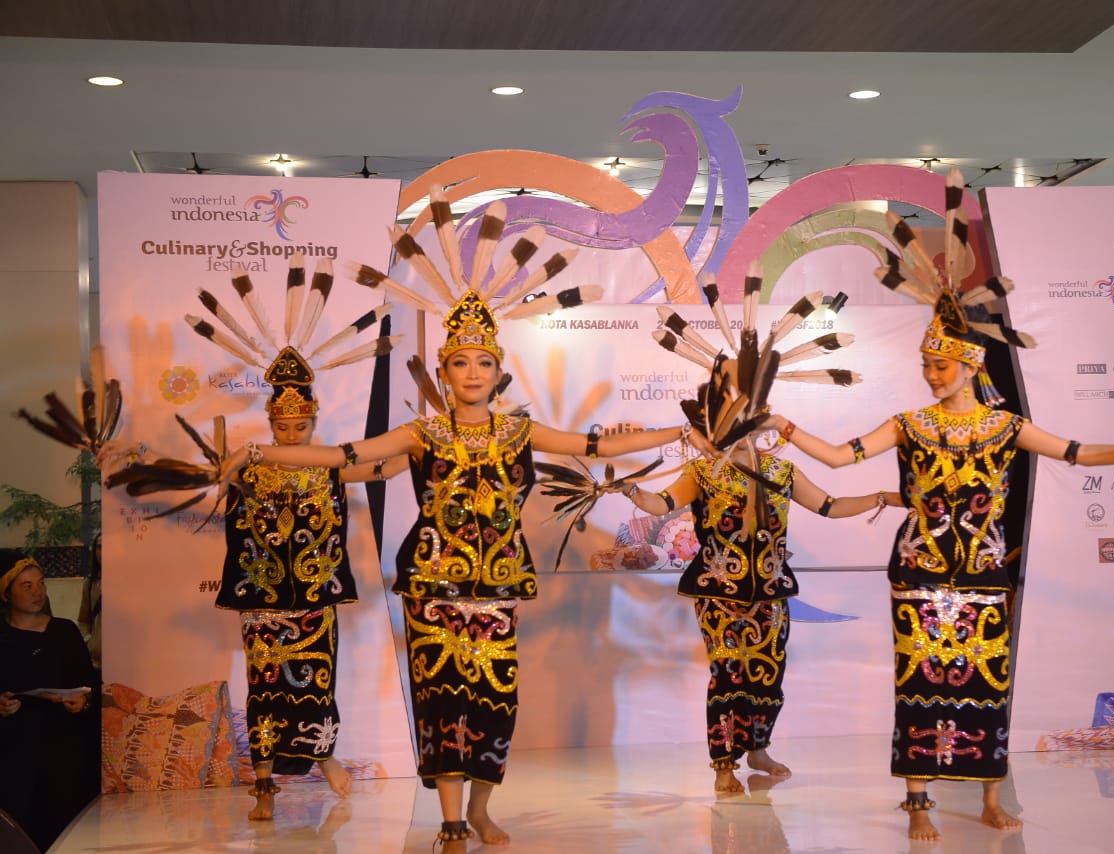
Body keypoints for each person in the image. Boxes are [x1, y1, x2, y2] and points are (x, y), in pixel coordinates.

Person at [222, 285, 688, 848]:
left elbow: (595, 447)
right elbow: (342, 457)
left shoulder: (519, 431)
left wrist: (684, 432)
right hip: (432, 592)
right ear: (444, 372)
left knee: (495, 702)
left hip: (495, 592)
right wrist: (256, 452)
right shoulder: (423, 433)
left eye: (483, 363)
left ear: (498, 373)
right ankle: (450, 823)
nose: (473, 373)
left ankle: (480, 810)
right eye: (461, 362)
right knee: (443, 702)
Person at [767, 306, 1114, 841]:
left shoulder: (1007, 427)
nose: (931, 375)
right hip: (918, 573)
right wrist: (782, 425)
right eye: (926, 365)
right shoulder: (907, 424)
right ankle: (917, 802)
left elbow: (1079, 454)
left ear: (971, 366)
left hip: (985, 573)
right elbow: (837, 457)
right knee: (918, 684)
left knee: (988, 684)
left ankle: (991, 798)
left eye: (941, 365)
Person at [620, 425, 901, 793]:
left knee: (768, 676)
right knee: (727, 675)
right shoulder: (702, 471)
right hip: (718, 593)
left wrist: (880, 497)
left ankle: (758, 749)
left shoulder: (781, 472)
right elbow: (662, 504)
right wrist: (633, 491)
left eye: (748, 421)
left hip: (770, 590)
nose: (741, 429)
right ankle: (723, 765)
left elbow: (829, 506)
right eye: (732, 421)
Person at [220, 344, 407, 821]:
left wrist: (422, 445)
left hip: (314, 598)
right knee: (264, 689)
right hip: (262, 601)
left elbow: (385, 468)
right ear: (270, 424)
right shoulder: (250, 470)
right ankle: (264, 786)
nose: (290, 434)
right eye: (282, 427)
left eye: (300, 427)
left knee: (316, 686)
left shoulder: (328, 466)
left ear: (313, 423)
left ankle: (324, 757)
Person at [0, 551, 101, 852]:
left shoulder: (64, 631)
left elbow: (90, 685)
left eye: (41, 583)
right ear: (6, 594)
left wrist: (84, 701)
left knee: (64, 829)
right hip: (14, 753)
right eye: (27, 586)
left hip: (62, 750)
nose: (38, 592)